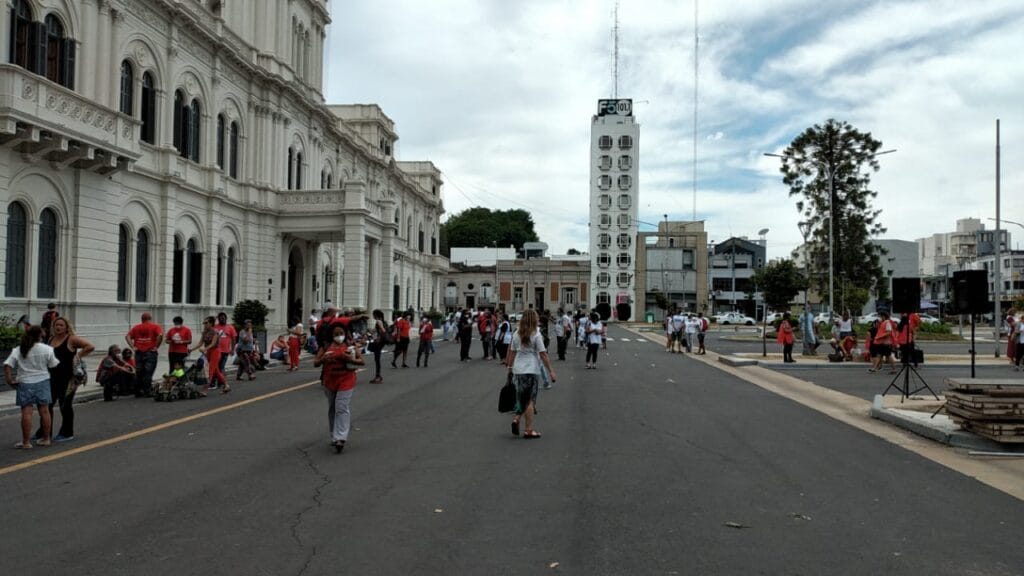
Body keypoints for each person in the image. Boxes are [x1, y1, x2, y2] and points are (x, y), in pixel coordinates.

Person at [38, 317, 94, 443]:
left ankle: (67, 432)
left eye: (61, 325)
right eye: (56, 325)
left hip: (69, 379)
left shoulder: (71, 339)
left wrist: (78, 355)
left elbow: (90, 346)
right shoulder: (51, 339)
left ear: (66, 327)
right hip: (52, 377)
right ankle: (45, 431)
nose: (58, 327)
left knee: (65, 405)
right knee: (48, 405)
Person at [505, 309, 556, 439]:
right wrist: (551, 371)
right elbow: (543, 354)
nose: (538, 319)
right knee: (530, 400)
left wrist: (510, 368)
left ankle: (516, 419)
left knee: (522, 397)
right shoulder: (536, 334)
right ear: (533, 319)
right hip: (531, 369)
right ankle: (528, 429)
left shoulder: (517, 333)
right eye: (537, 318)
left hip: (518, 368)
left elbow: (512, 352)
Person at [5, 326, 58, 448]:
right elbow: (53, 364)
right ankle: (46, 439)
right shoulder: (47, 349)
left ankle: (26, 442)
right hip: (43, 381)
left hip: (25, 382)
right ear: (40, 335)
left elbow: (7, 365)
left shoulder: (19, 349)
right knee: (45, 411)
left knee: (26, 413)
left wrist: (9, 380)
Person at [314, 323, 365, 452]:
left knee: (341, 408)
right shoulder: (326, 346)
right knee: (332, 407)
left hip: (346, 380)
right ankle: (334, 435)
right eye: (336, 334)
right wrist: (324, 359)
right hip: (330, 381)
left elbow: (362, 361)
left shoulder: (350, 345)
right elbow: (316, 362)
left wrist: (349, 359)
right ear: (331, 335)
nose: (339, 336)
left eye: (341, 333)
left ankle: (341, 438)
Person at [126, 312, 163, 397]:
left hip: (139, 352)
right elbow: (160, 336)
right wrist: (156, 346)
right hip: (150, 352)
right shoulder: (155, 326)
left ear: (142, 319)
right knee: (148, 372)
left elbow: (127, 336)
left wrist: (133, 347)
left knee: (139, 372)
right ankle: (147, 391)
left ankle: (137, 391)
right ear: (150, 318)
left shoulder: (137, 327)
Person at [190, 316, 224, 395]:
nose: (204, 324)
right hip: (208, 352)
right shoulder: (204, 332)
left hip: (215, 352)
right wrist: (191, 349)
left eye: (206, 323)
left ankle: (205, 390)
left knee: (210, 371)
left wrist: (205, 349)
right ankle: (226, 385)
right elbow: (200, 343)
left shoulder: (215, 332)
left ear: (211, 323)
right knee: (216, 371)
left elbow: (213, 343)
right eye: (204, 323)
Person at [215, 312, 238, 384]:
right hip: (216, 350)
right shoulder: (215, 327)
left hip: (225, 351)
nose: (222, 319)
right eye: (220, 318)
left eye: (223, 318)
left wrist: (232, 349)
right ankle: (219, 381)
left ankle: (222, 382)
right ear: (218, 319)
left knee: (221, 366)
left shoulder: (230, 327)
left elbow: (234, 339)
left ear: (226, 319)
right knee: (217, 366)